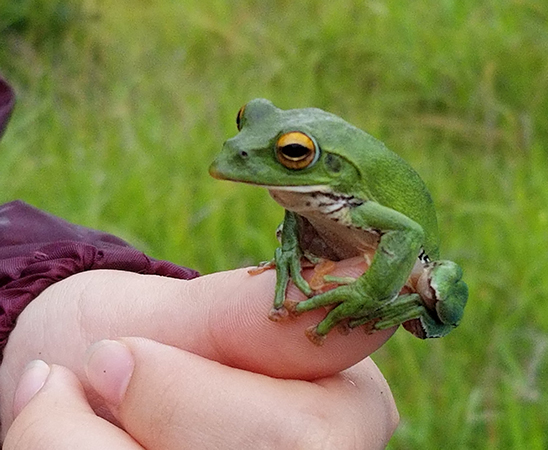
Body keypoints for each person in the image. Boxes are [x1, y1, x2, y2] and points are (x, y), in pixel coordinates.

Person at [0, 76, 399, 449]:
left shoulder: (362, 205)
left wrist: (32, 300)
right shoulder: (306, 200)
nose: (238, 143)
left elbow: (406, 236)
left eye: (293, 152)